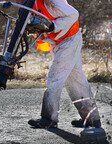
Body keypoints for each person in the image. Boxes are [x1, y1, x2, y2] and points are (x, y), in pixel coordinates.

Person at [16, 0, 101, 129]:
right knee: (76, 80)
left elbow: (73, 14)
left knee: (55, 78)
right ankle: (92, 119)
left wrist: (53, 26)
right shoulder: (30, 6)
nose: (16, 1)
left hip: (69, 40)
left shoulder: (50, 1)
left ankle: (48, 118)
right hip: (60, 43)